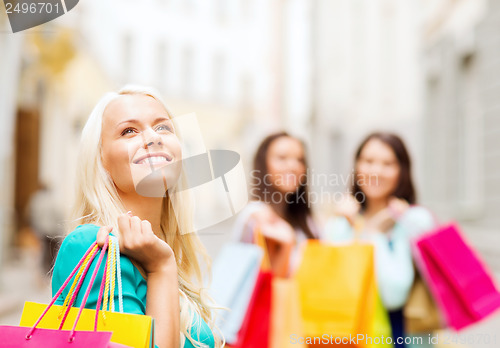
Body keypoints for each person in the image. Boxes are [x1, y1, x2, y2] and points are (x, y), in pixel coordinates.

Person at [51, 85, 222, 348]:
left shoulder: (164, 252)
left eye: (164, 127)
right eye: (128, 131)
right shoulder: (93, 248)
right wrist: (161, 267)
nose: (153, 138)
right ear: (100, 160)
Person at [324, 132, 436, 348]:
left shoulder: (415, 221)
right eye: (368, 161)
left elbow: (393, 293)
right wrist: (355, 227)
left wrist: (371, 233)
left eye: (388, 163)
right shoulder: (340, 223)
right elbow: (335, 290)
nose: (376, 171)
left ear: (402, 170)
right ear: (356, 166)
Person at [232, 132, 320, 277]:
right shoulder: (257, 216)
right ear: (263, 165)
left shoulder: (304, 221)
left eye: (300, 160)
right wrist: (286, 245)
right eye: (282, 158)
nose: (293, 166)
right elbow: (271, 285)